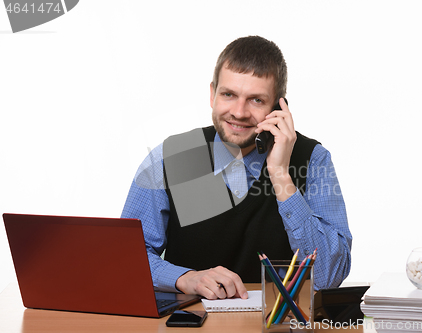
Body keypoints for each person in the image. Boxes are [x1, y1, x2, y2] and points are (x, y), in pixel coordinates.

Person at [121, 36, 352, 300]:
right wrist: (185, 278)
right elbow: (125, 257)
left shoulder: (314, 160)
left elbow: (329, 277)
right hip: (192, 324)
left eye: (256, 100)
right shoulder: (171, 157)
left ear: (278, 106)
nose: (239, 112)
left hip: (276, 324)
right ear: (212, 94)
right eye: (228, 95)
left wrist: (280, 175)